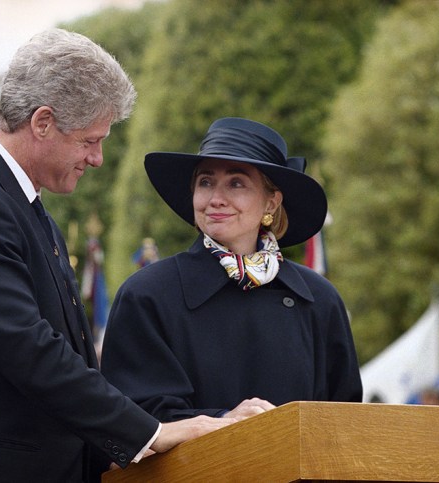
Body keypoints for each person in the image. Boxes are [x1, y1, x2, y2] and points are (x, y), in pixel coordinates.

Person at [0, 29, 233, 483]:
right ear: (43, 122)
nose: (98, 159)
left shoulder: (22, 209)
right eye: (90, 140)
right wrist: (149, 433)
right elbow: (30, 351)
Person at [101, 117, 363, 423]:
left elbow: (345, 421)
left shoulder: (319, 299)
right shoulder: (148, 295)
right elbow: (131, 419)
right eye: (206, 182)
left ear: (271, 203)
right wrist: (224, 422)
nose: (215, 199)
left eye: (236, 183)